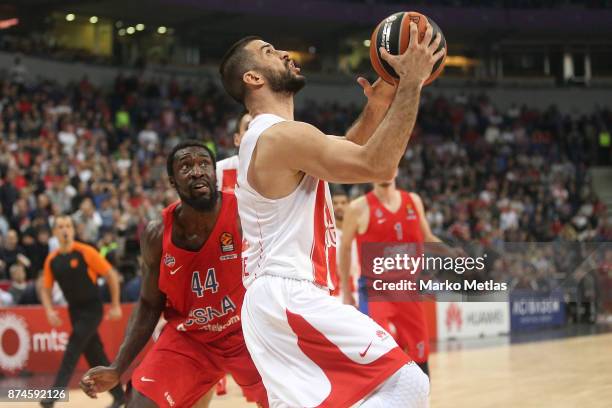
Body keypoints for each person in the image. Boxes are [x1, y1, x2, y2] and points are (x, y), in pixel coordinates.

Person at [219, 24, 442, 407]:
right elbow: (378, 166)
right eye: (270, 50)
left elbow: (346, 150)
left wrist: (377, 104)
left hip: (273, 301)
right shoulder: (278, 137)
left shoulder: (278, 137)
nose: (285, 54)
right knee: (407, 384)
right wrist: (411, 83)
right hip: (289, 294)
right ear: (252, 77)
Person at [79, 141, 268, 408]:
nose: (197, 171)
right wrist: (117, 367)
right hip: (192, 339)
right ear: (172, 181)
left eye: (204, 164)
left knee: (291, 400)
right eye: (186, 166)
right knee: (138, 404)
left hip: (247, 332)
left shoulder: (242, 211)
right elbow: (148, 304)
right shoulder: (157, 235)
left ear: (214, 173)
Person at [339, 177, 458, 376]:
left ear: (396, 169)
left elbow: (427, 237)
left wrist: (453, 253)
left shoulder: (413, 201)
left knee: (420, 356)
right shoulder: (358, 207)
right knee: (379, 352)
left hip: (409, 291)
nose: (386, 170)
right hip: (376, 292)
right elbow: (344, 248)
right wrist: (346, 290)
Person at [39, 215, 124, 408]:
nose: (65, 229)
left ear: (73, 230)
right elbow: (45, 288)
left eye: (68, 225)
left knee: (73, 347)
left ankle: (53, 395)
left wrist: (116, 304)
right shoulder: (52, 260)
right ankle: (120, 396)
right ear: (54, 232)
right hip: (74, 311)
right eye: (60, 226)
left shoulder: (85, 251)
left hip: (92, 308)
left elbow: (110, 274)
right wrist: (49, 310)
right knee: (95, 355)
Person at [216, 112, 252, 193]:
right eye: (248, 127)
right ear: (237, 140)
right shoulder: (219, 170)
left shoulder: (281, 171)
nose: (255, 132)